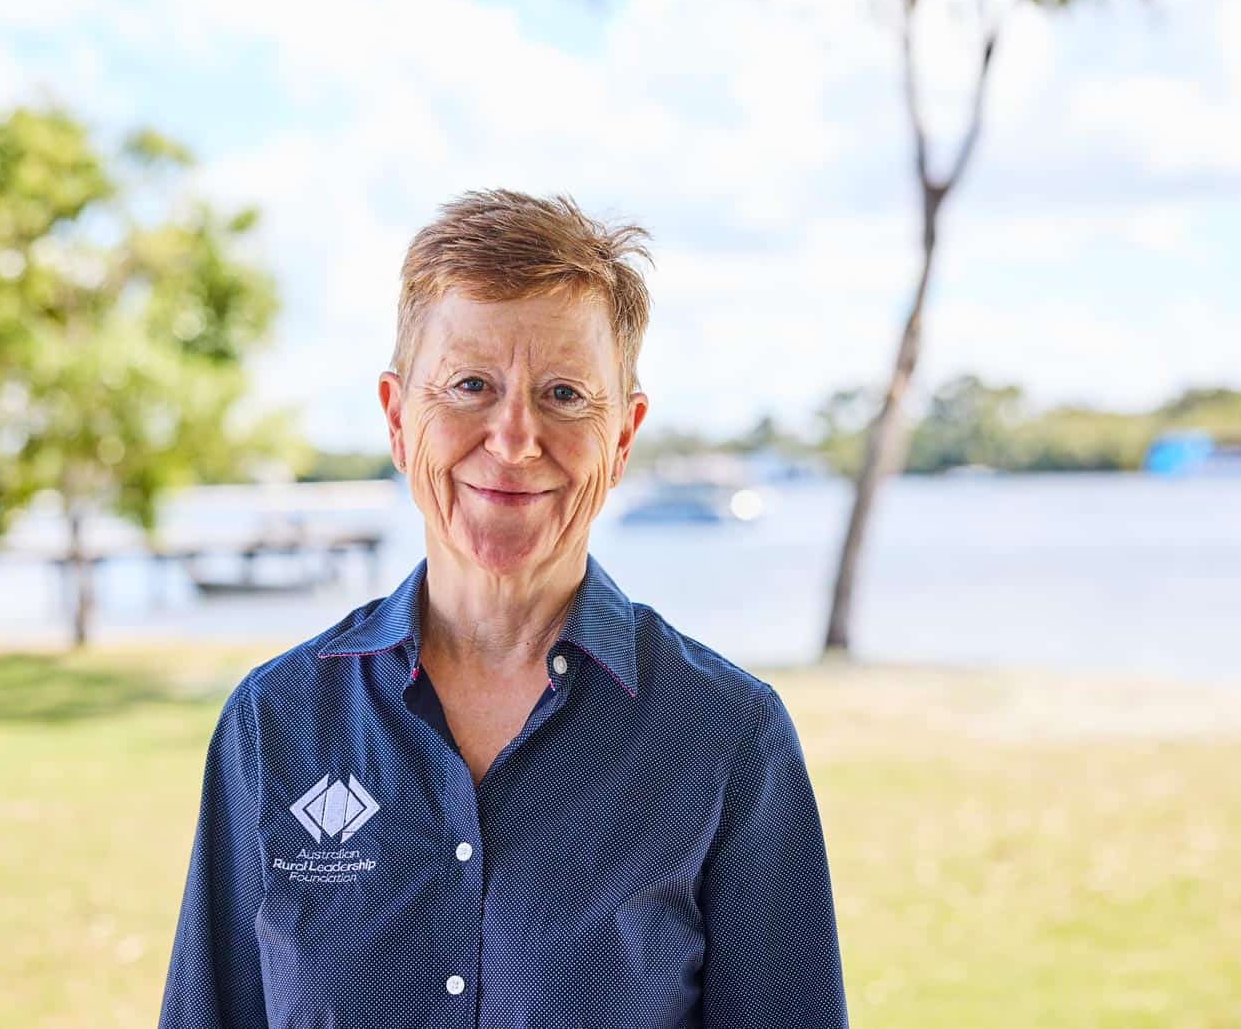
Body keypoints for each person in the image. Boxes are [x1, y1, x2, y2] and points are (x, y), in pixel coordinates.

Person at [158, 189, 848, 1028]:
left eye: (563, 394)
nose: (514, 438)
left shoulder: (726, 735)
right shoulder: (275, 723)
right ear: (396, 417)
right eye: (470, 385)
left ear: (623, 436)